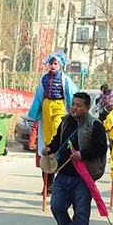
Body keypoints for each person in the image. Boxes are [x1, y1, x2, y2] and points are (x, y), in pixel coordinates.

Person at [42, 92, 108, 225]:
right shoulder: (65, 121)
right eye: (73, 104)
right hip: (63, 172)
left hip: (83, 176)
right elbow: (58, 140)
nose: (75, 108)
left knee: (81, 210)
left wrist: (82, 155)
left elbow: (102, 147)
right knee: (56, 206)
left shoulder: (95, 124)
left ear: (87, 108)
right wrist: (50, 148)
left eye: (79, 105)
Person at [27, 51, 79, 192]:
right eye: (51, 63)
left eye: (56, 63)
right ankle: (48, 184)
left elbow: (73, 95)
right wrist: (35, 113)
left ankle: (57, 179)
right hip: (46, 108)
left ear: (61, 65)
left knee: (58, 135)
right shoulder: (43, 79)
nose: (53, 66)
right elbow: (39, 95)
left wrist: (74, 111)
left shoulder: (65, 79)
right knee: (46, 141)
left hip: (59, 107)